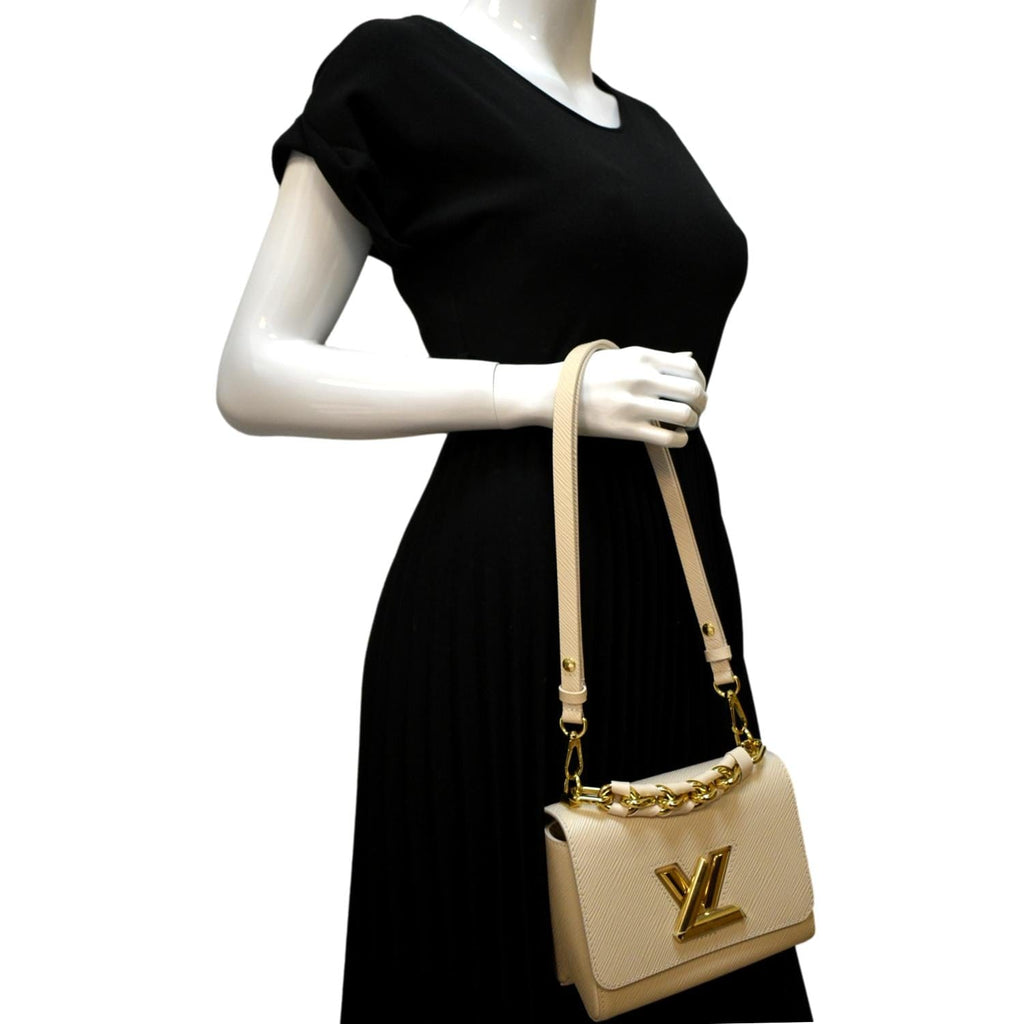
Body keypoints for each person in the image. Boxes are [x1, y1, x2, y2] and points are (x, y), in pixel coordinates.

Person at [216, 3, 813, 1021]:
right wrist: (544, 391)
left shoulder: (652, 131)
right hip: (506, 604)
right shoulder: (402, 71)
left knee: (706, 931)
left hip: (678, 600)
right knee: (504, 952)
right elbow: (253, 372)